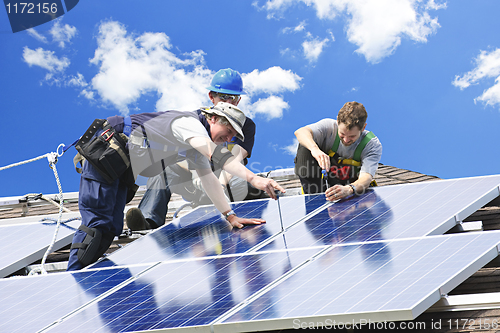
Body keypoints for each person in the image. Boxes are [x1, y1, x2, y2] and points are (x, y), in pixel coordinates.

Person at [67, 102, 284, 271]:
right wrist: (255, 179)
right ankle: (72, 280)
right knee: (96, 226)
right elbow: (214, 154)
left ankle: (83, 282)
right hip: (105, 153)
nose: (228, 138)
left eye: (233, 137)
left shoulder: (193, 145)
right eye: (228, 131)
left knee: (111, 228)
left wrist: (230, 216)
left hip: (119, 168)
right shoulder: (188, 124)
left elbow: (209, 179)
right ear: (213, 118)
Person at [126, 68, 258, 231]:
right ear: (212, 97)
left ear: (238, 100)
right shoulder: (194, 120)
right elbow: (179, 155)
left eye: (234, 97)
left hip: (226, 179)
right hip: (192, 176)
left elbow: (236, 159)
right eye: (223, 96)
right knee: (162, 171)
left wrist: (220, 183)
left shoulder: (245, 126)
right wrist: (198, 175)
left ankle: (247, 216)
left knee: (249, 183)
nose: (228, 102)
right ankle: (148, 222)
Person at [294, 101, 382, 202]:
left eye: (352, 136)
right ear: (337, 121)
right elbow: (300, 132)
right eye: (342, 134)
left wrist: (349, 189)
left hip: (350, 190)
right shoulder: (328, 127)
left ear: (363, 128)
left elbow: (366, 177)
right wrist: (315, 149)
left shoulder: (371, 144)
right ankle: (315, 199)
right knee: (305, 145)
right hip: (321, 186)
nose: (346, 140)